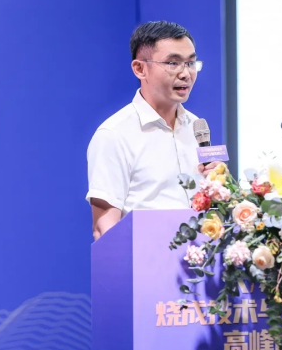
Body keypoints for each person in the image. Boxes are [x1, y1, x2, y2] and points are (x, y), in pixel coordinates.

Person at [86, 21, 218, 240]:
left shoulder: (195, 126)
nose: (186, 73)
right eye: (173, 63)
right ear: (140, 69)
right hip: (144, 257)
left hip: (199, 257)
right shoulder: (114, 134)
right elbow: (104, 228)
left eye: (191, 63)